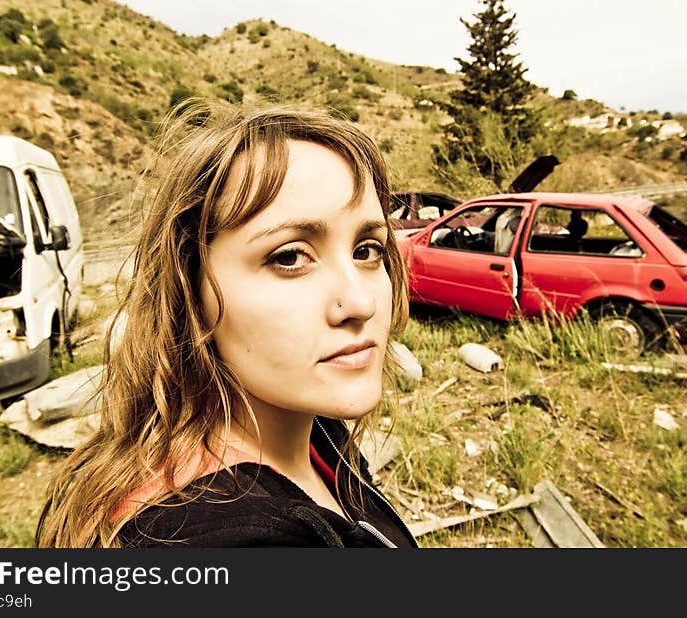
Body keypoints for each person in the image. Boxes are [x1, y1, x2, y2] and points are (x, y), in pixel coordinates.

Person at [36, 104, 417, 548]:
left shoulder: (313, 432)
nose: (360, 301)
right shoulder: (216, 539)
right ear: (190, 290)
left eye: (367, 250)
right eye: (290, 257)